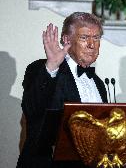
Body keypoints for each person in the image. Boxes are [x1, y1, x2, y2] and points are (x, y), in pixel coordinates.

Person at [17, 12, 108, 168]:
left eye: (96, 38)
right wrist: (51, 67)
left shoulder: (99, 83)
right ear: (67, 40)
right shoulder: (42, 69)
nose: (92, 45)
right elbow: (31, 109)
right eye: (84, 38)